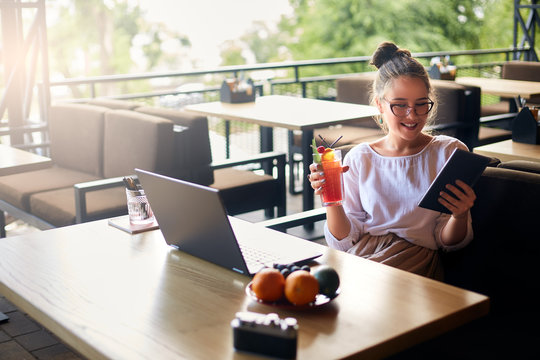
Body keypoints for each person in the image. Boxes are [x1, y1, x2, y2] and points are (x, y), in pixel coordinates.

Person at [308, 42, 476, 279]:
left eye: (421, 105)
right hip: (364, 256)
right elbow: (344, 243)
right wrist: (331, 199)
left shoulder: (449, 152)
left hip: (416, 262)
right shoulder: (359, 158)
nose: (412, 115)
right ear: (379, 105)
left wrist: (460, 215)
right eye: (400, 106)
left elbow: (447, 242)